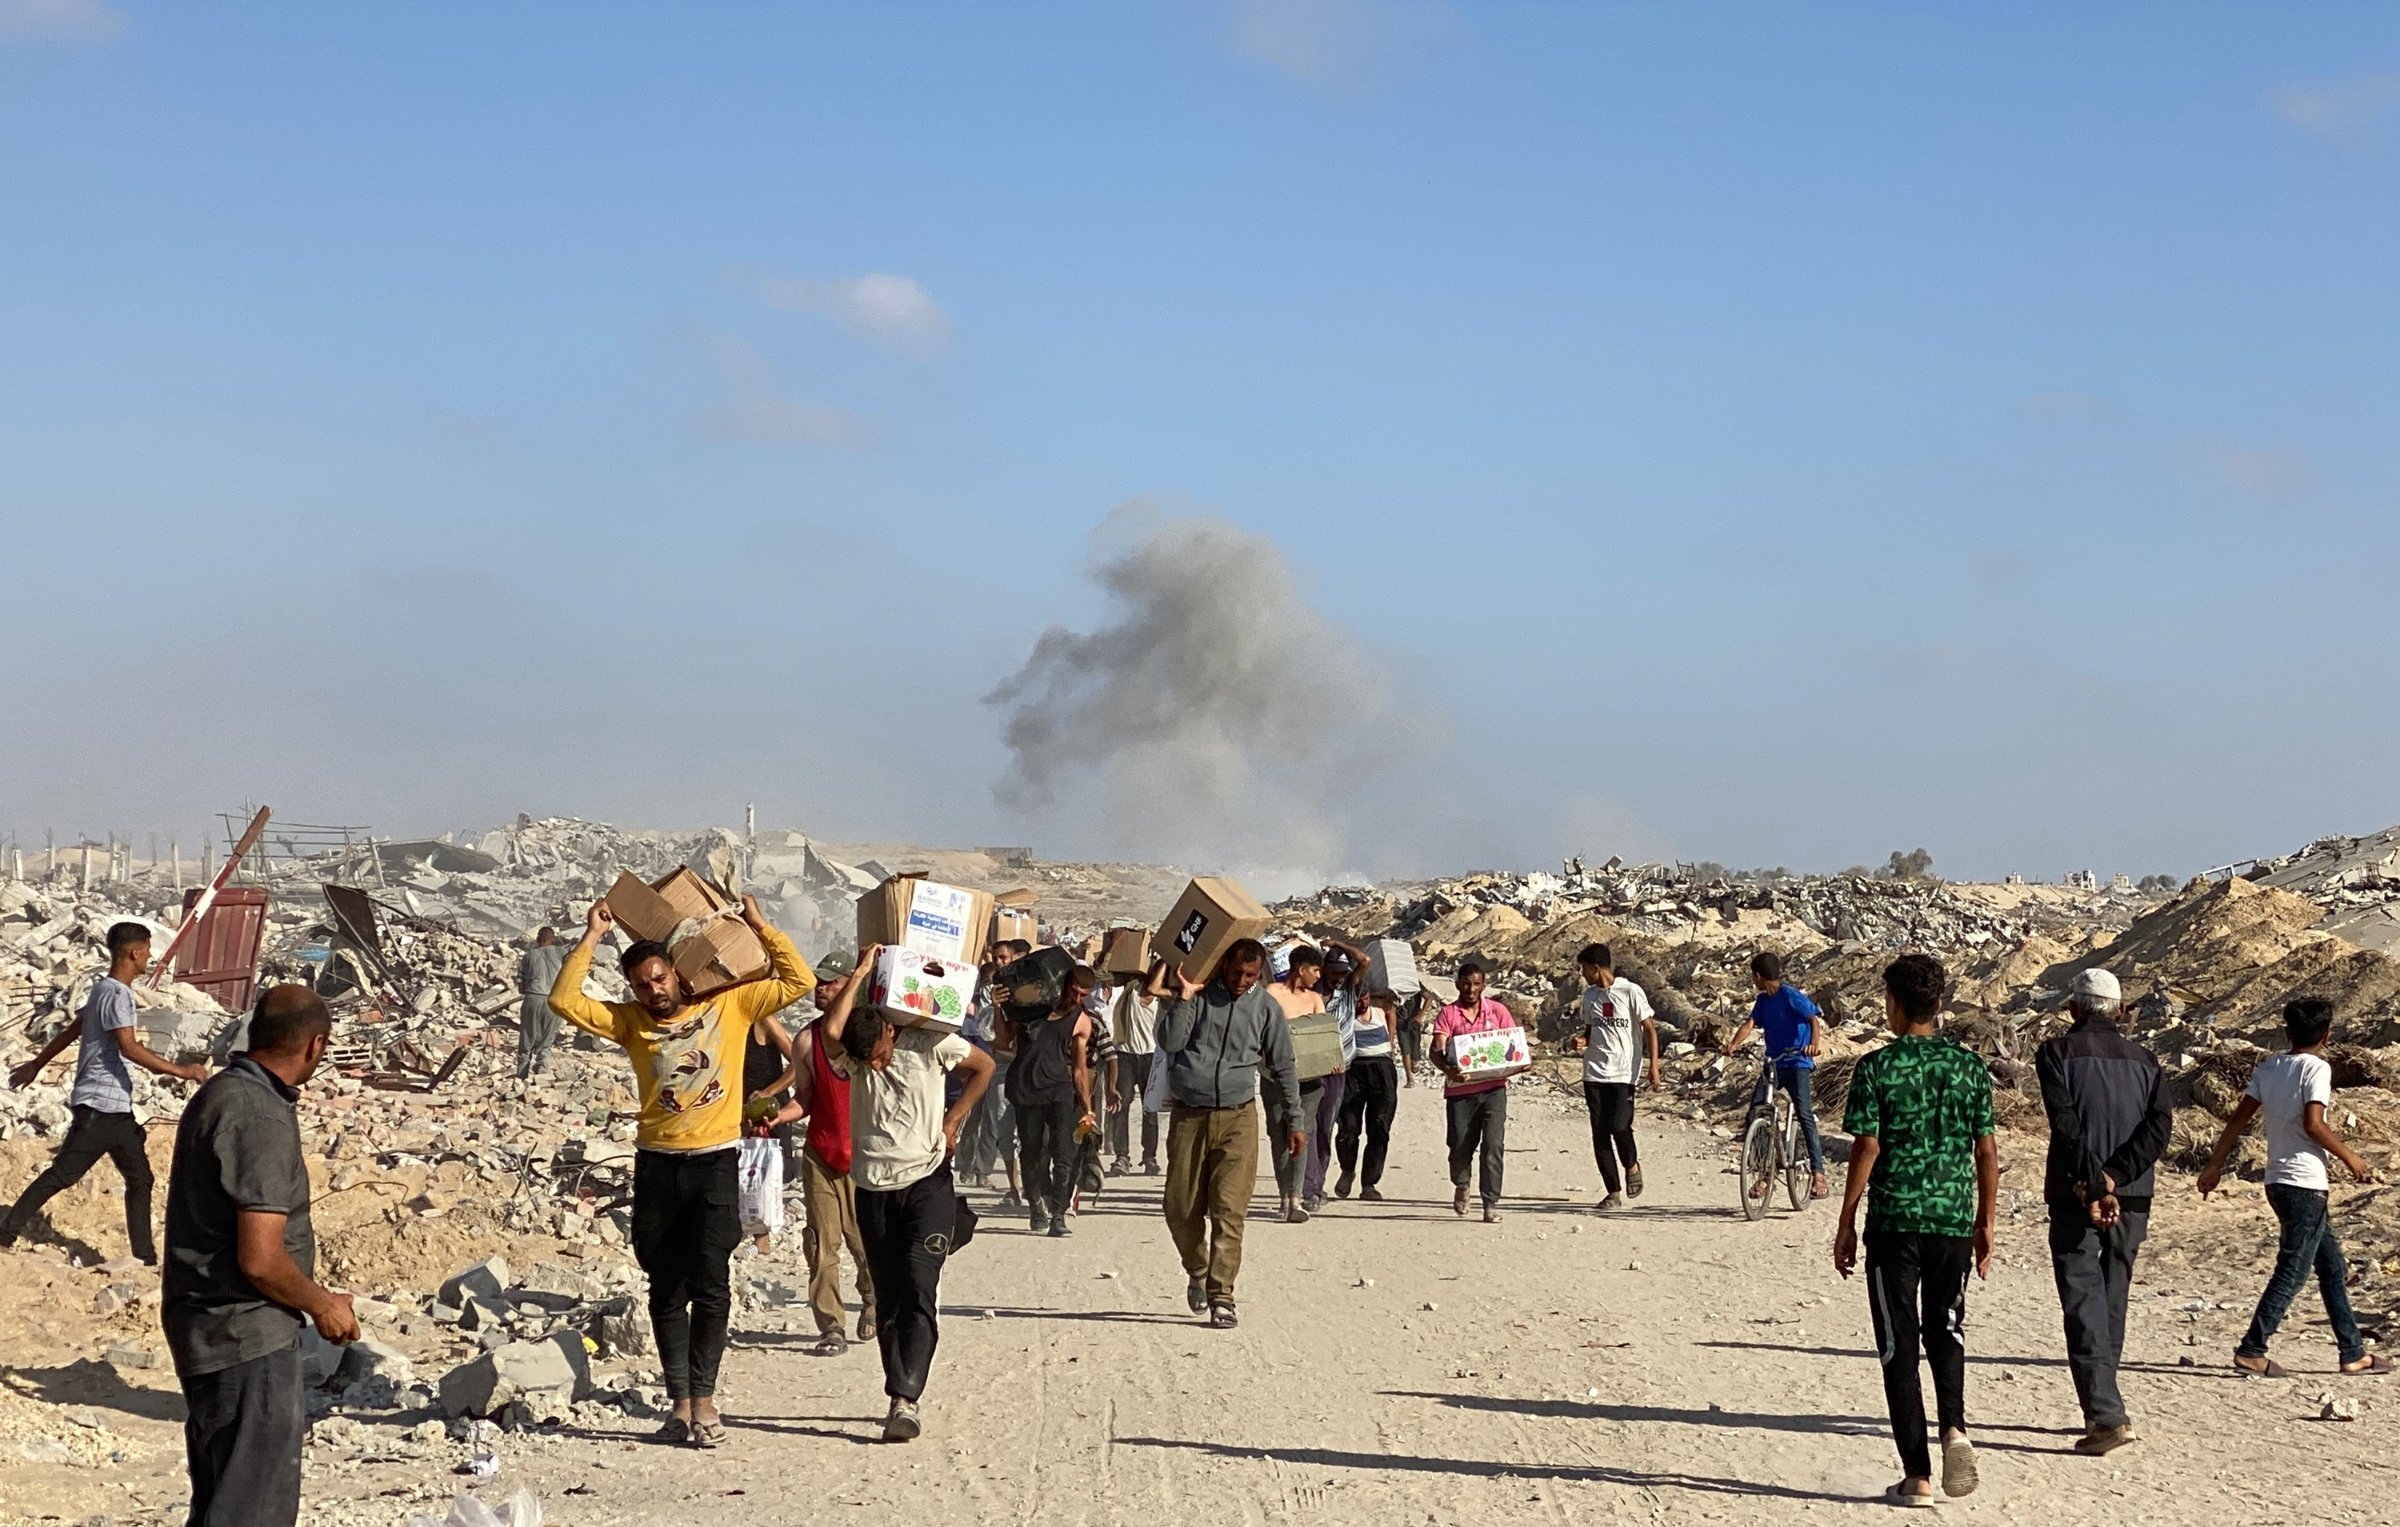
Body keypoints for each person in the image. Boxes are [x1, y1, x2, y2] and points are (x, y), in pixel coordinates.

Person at [549, 896, 813, 1447]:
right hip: (658, 1169)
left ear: (678, 975)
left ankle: (707, 1402)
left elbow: (798, 978)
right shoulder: (629, 1024)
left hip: (716, 1164)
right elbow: (563, 999)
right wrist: (593, 934)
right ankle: (678, 1405)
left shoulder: (730, 1008)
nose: (654, 991)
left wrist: (759, 925)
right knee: (665, 1288)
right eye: (643, 985)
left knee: (713, 1285)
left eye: (660, 979)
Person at [162, 984, 357, 1527]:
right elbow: (262, 1260)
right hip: (245, 1337)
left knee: (222, 1502)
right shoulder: (260, 1116)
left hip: (208, 1328)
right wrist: (323, 1305)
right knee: (251, 1511)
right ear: (316, 1046)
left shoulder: (223, 1092)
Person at [1834, 952, 1998, 1507]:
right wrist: (1986, 1221)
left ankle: (1918, 1476)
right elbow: (1986, 1149)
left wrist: (1846, 1219)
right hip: (1952, 1219)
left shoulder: (1876, 1068)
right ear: (1940, 1004)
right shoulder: (1970, 1068)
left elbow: (1867, 1147)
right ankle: (1954, 1427)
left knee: (1897, 1344)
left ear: (1897, 1005)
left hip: (1895, 1222)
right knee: (1946, 1328)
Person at [816, 943, 996, 1441]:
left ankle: (905, 1398)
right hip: (872, 1190)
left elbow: (984, 1067)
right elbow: (833, 1030)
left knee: (919, 1285)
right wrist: (860, 973)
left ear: (892, 1031)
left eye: (878, 1056)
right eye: (867, 1061)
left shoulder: (933, 1042)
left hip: (927, 1182)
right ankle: (898, 1386)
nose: (874, 1067)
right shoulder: (854, 1057)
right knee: (890, 1295)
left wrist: (954, 1120)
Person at [2199, 997, 2391, 1378]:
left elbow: (2238, 1119)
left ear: (2287, 1030)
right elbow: (2314, 1124)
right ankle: (2253, 1348)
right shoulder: (2316, 1068)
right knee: (2293, 1270)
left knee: (2332, 1267)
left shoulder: (2270, 1068)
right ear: (2327, 1034)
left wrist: (2215, 1165)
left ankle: (2352, 1351)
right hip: (2304, 1182)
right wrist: (2352, 1159)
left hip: (2276, 1181)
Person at [3, 920, 206, 1261]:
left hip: (117, 1109)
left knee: (140, 1178)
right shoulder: (118, 994)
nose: (150, 958)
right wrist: (180, 1071)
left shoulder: (101, 990)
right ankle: (6, 1232)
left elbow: (73, 1030)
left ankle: (145, 1257)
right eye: (147, 952)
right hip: (99, 1105)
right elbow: (129, 1047)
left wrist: (37, 1064)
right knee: (64, 1174)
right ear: (134, 952)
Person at [2035, 967, 2173, 1455]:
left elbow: (2066, 1125)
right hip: (2132, 1192)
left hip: (2077, 1192)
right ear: (2119, 1010)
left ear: (2073, 1008)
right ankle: (2105, 1403)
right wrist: (2115, 1177)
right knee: (2112, 1297)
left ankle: (2106, 1414)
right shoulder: (2148, 1060)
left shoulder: (2055, 1053)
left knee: (2082, 1297)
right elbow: (2159, 1129)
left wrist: (2095, 1183)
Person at [1155, 940, 1302, 1328]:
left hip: (1239, 1117)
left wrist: (1295, 1118)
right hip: (1189, 1116)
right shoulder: (1199, 997)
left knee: (1229, 1211)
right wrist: (1184, 997)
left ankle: (1222, 1296)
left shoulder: (1266, 1009)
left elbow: (1284, 1065)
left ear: (1259, 975)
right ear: (1223, 964)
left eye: (1250, 975)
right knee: (1179, 1208)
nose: (1241, 981)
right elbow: (1169, 1042)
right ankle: (1198, 1269)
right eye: (1236, 972)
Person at [758, 949, 875, 1358]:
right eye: (819, 982)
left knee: (865, 1242)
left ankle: (873, 1301)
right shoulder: (806, 1040)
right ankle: (831, 1326)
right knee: (822, 1244)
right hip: (822, 1154)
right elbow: (805, 1099)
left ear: (850, 986)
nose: (820, 989)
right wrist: (778, 1117)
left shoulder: (867, 1038)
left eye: (831, 982)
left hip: (865, 1156)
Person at [1721, 951, 1827, 1199]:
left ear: (1758, 976)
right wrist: (1733, 1044)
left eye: (1753, 977)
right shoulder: (1762, 1002)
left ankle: (1819, 1172)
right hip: (1774, 1063)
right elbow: (1749, 1024)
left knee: (1804, 1113)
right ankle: (1764, 1173)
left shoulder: (1789, 996)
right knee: (1757, 1110)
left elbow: (1813, 1019)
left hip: (1798, 1062)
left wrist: (1813, 1045)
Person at [1000, 964, 1095, 1237]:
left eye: (1083, 996)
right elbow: (1004, 1039)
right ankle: (1035, 1205)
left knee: (1063, 1153)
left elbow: (1079, 1068)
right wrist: (998, 1008)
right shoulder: (1031, 1006)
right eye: (1074, 992)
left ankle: (1059, 1215)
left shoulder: (1081, 1021)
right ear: (1063, 984)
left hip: (1059, 1090)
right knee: (1031, 1153)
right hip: (1026, 1088)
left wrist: (1087, 1107)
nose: (1077, 999)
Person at [1565, 942, 1661, 1212]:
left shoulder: (1630, 991)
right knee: (1599, 1133)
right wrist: (1582, 1041)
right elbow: (1590, 1029)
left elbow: (1650, 1029)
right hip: (1594, 1071)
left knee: (1620, 1125)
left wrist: (1653, 1066)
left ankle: (1631, 1164)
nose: (1582, 974)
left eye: (1584, 969)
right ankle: (1613, 1192)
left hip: (1623, 1071)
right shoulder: (1589, 996)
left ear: (1597, 968)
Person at [1433, 960, 1519, 1224]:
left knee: (1493, 1146)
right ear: (1458, 984)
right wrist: (1449, 1070)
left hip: (1494, 1090)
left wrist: (1520, 1061)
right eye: (1466, 983)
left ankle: (1490, 1202)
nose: (1471, 989)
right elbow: (1436, 1050)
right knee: (1460, 1146)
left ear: (1484, 985)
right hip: (1460, 1092)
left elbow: (1513, 1044)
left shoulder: (1498, 1011)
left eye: (1476, 984)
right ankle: (1462, 1183)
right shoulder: (1448, 1014)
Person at [1263, 945, 1327, 1223]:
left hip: (1309, 1081)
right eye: (1314, 970)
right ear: (1300, 969)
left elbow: (1324, 1038)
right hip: (1274, 1077)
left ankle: (1296, 1198)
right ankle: (1283, 1194)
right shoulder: (1271, 994)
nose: (1317, 976)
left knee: (1301, 1132)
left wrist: (1331, 1063)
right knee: (1279, 1135)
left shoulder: (1314, 999)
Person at [1304, 941, 1368, 1214]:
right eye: (1334, 971)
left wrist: (1338, 943)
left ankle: (1316, 1185)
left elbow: (1364, 961)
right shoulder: (1310, 994)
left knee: (1325, 1128)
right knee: (1305, 1127)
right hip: (1309, 1068)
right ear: (1323, 969)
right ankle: (1306, 1187)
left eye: (1343, 972)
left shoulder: (1350, 992)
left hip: (1338, 1070)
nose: (1339, 977)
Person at [1334, 982, 1402, 1202]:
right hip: (1353, 1070)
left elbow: (1391, 1007)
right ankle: (1347, 1170)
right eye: (1356, 999)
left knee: (1379, 1127)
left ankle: (1369, 1183)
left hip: (1382, 1070)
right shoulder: (1343, 1017)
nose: (1360, 1003)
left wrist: (1390, 1043)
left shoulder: (1380, 1011)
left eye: (1364, 998)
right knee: (1348, 1127)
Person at [1110, 973, 1162, 1175]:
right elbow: (1104, 972)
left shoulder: (1163, 998)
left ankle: (1150, 1157)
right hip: (1125, 1054)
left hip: (1152, 1056)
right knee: (1119, 1105)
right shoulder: (1130, 988)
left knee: (1150, 1108)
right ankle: (1121, 1156)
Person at [514, 927, 569, 1079]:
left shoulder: (528, 956)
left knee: (526, 1041)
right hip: (553, 1001)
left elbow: (521, 987)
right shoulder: (561, 952)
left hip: (532, 999)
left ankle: (521, 1077)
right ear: (553, 939)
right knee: (546, 1042)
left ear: (538, 940)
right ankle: (542, 1074)